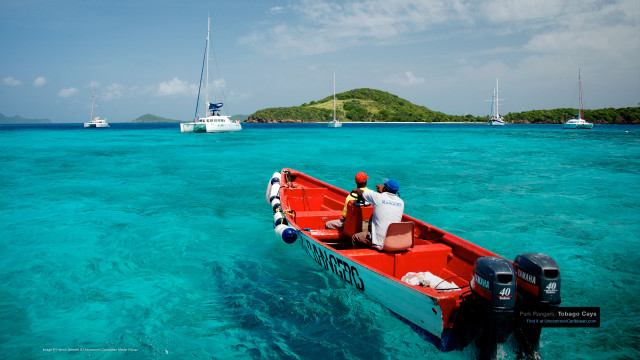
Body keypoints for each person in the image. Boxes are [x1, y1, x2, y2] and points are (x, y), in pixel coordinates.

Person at [351, 178, 404, 249]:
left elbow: (360, 193)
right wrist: (383, 191)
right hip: (392, 240)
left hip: (379, 242)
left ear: (385, 188)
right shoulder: (401, 202)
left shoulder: (377, 196)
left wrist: (356, 190)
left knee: (355, 237)